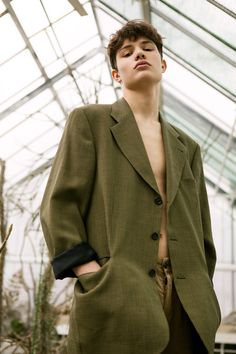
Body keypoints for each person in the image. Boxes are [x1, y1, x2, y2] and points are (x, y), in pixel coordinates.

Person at [40, 20, 221, 354]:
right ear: (116, 74)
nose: (139, 53)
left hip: (188, 299)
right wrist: (92, 273)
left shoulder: (188, 146)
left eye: (147, 48)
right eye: (127, 52)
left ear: (162, 64)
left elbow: (202, 227)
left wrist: (200, 284)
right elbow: (59, 203)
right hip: (119, 288)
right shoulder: (90, 122)